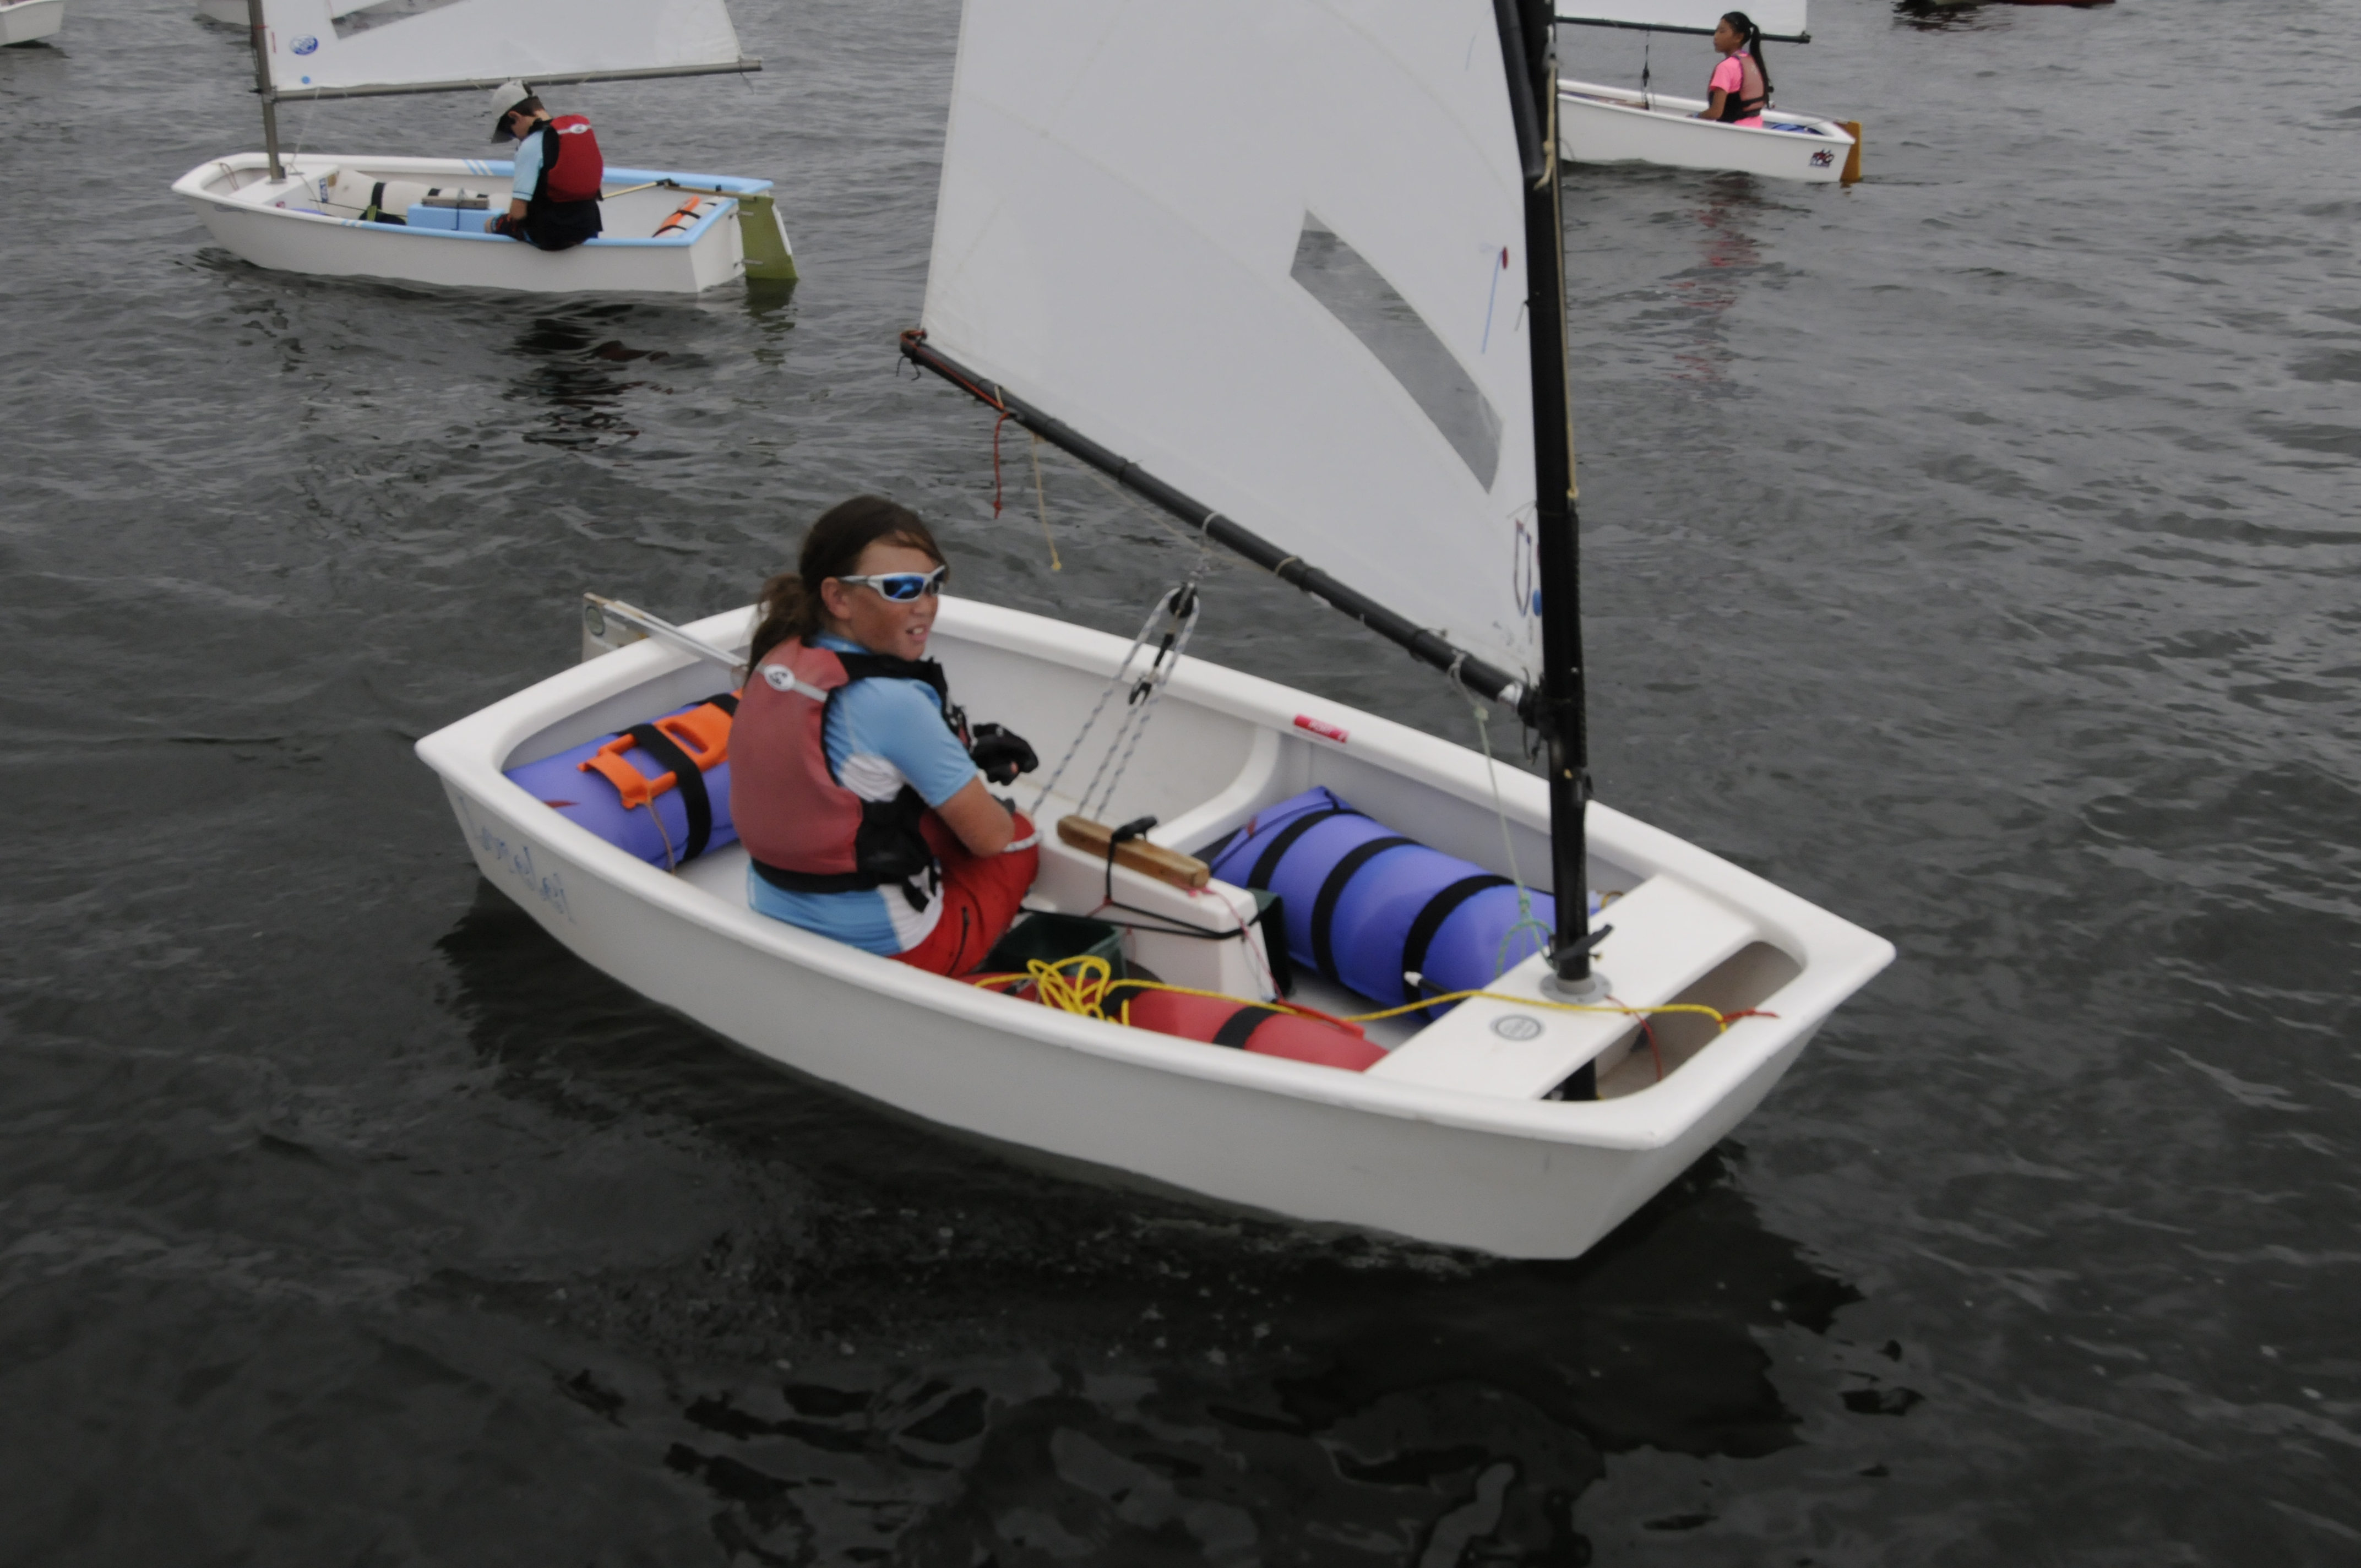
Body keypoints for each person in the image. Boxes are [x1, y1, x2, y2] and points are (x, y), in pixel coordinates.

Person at [730, 497, 1042, 977]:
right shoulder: (894, 704)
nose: (926, 606)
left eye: (934, 584)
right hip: (894, 947)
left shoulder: (778, 659)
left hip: (771, 904)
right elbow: (990, 839)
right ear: (838, 598)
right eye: (901, 589)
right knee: (1020, 832)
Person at [486, 81, 603, 251]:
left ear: (514, 117)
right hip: (588, 230)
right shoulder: (574, 135)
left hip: (550, 238)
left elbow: (518, 213)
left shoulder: (531, 145)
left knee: (491, 223)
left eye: (510, 131)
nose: (515, 137)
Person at [1699, 12, 1771, 128]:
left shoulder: (1726, 67)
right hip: (1756, 127)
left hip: (1733, 131)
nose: (1716, 36)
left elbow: (1715, 113)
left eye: (1722, 32)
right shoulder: (1750, 60)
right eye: (1716, 31)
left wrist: (1695, 117)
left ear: (1739, 37)